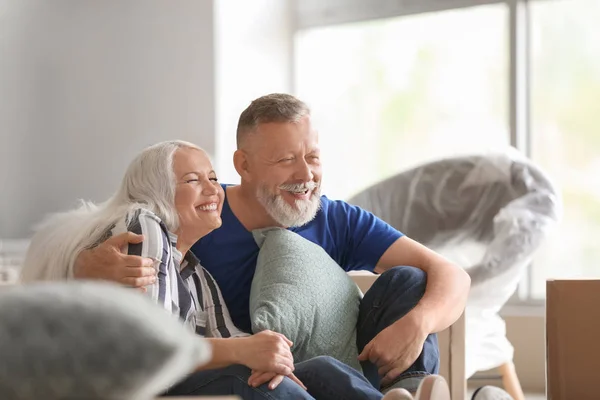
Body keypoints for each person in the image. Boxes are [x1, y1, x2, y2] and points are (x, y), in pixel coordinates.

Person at [71, 94, 472, 395]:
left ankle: (411, 389)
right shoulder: (202, 214)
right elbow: (120, 234)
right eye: (286, 160)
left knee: (408, 279)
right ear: (243, 165)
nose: (306, 174)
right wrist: (83, 269)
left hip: (317, 360)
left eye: (312, 157)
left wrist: (417, 325)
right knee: (304, 375)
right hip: (248, 367)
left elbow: (452, 276)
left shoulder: (333, 217)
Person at [20, 140, 433, 400]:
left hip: (195, 370)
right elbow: (154, 346)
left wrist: (269, 356)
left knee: (316, 370)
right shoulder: (145, 227)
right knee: (244, 375)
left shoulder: (195, 268)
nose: (213, 188)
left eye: (214, 178)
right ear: (157, 191)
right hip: (153, 382)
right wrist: (245, 353)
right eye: (193, 180)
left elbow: (227, 335)